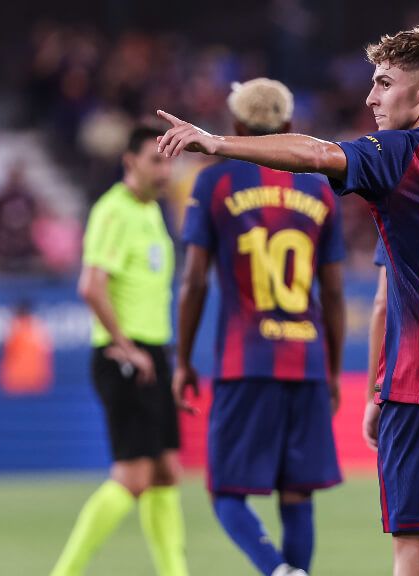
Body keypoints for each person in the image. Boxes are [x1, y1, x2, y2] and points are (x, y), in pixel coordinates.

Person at [155, 26, 419, 576]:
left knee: (415, 549)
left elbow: (316, 152)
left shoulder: (404, 153)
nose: (371, 98)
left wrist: (220, 143)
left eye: (382, 83)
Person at [174, 78, 345, 576]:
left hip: (244, 358)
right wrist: (332, 370)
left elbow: (194, 283)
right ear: (289, 127)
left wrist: (182, 361)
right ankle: (294, 570)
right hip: (306, 359)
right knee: (298, 495)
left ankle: (275, 568)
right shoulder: (320, 187)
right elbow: (332, 292)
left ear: (236, 128)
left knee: (226, 492)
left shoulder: (214, 184)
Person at [51, 125, 187, 576]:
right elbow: (91, 286)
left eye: (168, 160)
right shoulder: (114, 211)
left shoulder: (152, 212)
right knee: (133, 478)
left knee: (167, 470)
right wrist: (127, 348)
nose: (164, 170)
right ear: (129, 161)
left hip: (154, 354)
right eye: (155, 160)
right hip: (125, 357)